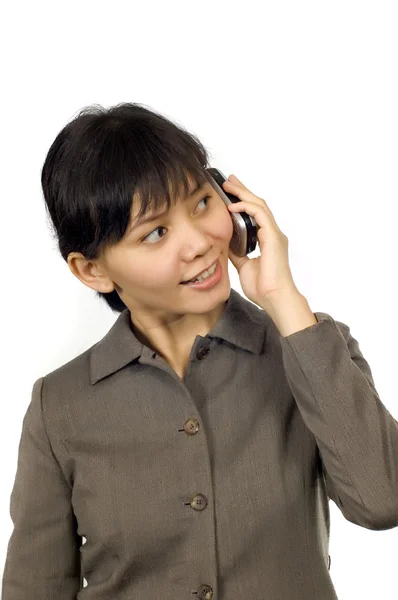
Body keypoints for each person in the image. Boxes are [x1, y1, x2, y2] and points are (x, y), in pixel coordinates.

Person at [2, 102, 398, 600]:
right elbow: (32, 589)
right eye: (156, 232)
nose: (198, 243)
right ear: (92, 270)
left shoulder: (311, 349)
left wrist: (283, 300)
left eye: (201, 203)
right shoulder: (59, 406)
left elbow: (383, 500)